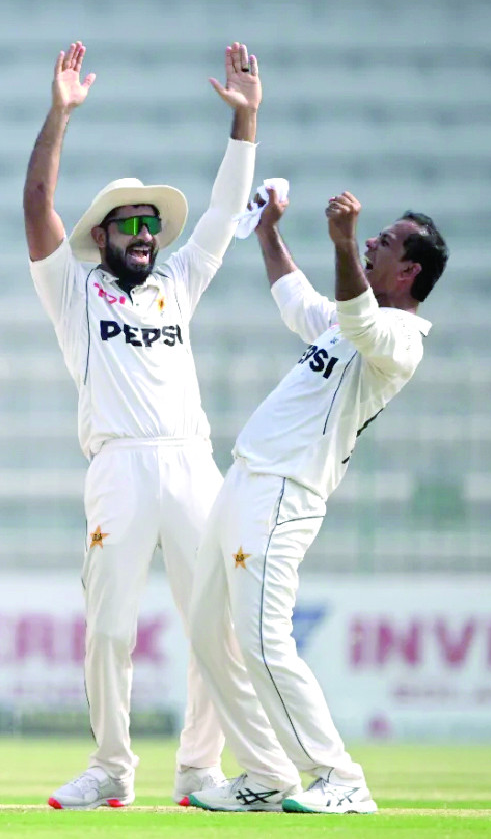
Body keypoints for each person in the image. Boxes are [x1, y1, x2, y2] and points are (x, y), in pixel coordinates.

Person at [23, 41, 262, 809]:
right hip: (119, 464)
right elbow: (35, 206)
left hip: (192, 461)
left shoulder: (178, 285)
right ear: (102, 236)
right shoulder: (74, 290)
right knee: (110, 627)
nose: (144, 234)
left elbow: (224, 217)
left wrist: (246, 125)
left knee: (211, 627)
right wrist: (57, 117)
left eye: (150, 224)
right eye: (128, 224)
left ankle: (199, 772)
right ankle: (111, 767)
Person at [186, 190, 447, 814]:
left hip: (285, 491)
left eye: (386, 240)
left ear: (409, 271)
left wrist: (338, 243)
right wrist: (269, 233)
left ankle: (339, 777)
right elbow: (297, 298)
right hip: (245, 479)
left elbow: (360, 319)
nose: (373, 241)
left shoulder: (401, 338)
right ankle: (266, 775)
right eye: (370, 236)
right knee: (206, 633)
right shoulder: (344, 320)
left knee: (263, 640)